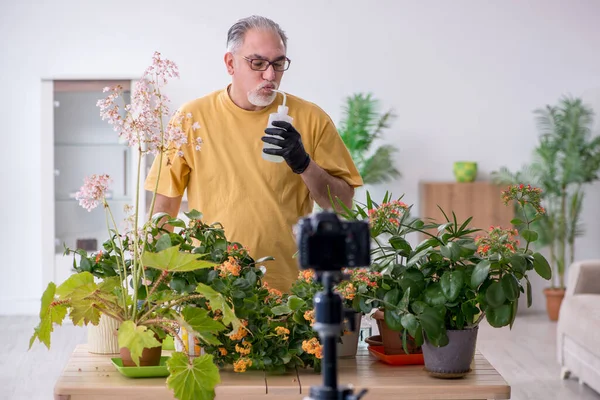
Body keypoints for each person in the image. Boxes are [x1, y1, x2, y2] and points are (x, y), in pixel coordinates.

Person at [144, 15, 363, 292]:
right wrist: (154, 284)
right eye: (258, 63)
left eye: (279, 64)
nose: (270, 75)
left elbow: (342, 205)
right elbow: (163, 210)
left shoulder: (311, 119)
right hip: (209, 288)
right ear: (230, 63)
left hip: (287, 290)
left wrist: (304, 163)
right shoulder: (190, 118)